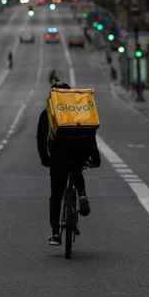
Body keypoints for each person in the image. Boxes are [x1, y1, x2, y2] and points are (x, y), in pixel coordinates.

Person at [36, 82, 101, 246]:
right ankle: (82, 194)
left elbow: (41, 139)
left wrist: (45, 158)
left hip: (58, 157)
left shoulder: (47, 113)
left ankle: (56, 233)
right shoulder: (79, 111)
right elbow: (90, 133)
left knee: (56, 196)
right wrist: (95, 157)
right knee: (77, 168)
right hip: (80, 152)